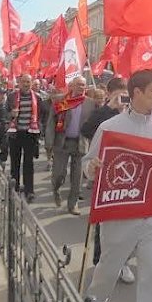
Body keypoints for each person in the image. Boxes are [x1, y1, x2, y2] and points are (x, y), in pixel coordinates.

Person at [83, 70, 152, 302]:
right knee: (109, 268)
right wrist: (92, 168)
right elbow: (88, 163)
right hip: (119, 214)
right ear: (136, 93)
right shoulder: (109, 127)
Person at [80, 77, 133, 283]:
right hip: (105, 172)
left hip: (128, 171)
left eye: (126, 93)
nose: (123, 98)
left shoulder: (132, 113)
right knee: (105, 219)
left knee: (127, 221)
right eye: (119, 93)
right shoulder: (102, 113)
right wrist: (110, 108)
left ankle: (122, 261)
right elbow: (86, 131)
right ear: (110, 93)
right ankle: (100, 261)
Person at [45, 76, 95, 215]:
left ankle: (73, 204)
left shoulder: (90, 103)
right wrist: (49, 141)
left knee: (77, 175)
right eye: (78, 84)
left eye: (83, 85)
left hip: (80, 143)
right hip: (62, 142)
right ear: (71, 86)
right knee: (58, 173)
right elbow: (51, 122)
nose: (81, 87)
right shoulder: (61, 100)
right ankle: (56, 189)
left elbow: (94, 123)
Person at [6, 74, 43, 203]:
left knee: (29, 164)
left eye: (28, 81)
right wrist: (11, 114)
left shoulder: (37, 98)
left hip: (30, 134)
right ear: (19, 83)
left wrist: (39, 130)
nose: (26, 84)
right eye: (24, 82)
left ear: (31, 83)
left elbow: (40, 116)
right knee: (15, 163)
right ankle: (14, 189)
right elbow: (5, 113)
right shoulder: (12, 97)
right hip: (15, 134)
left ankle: (29, 191)